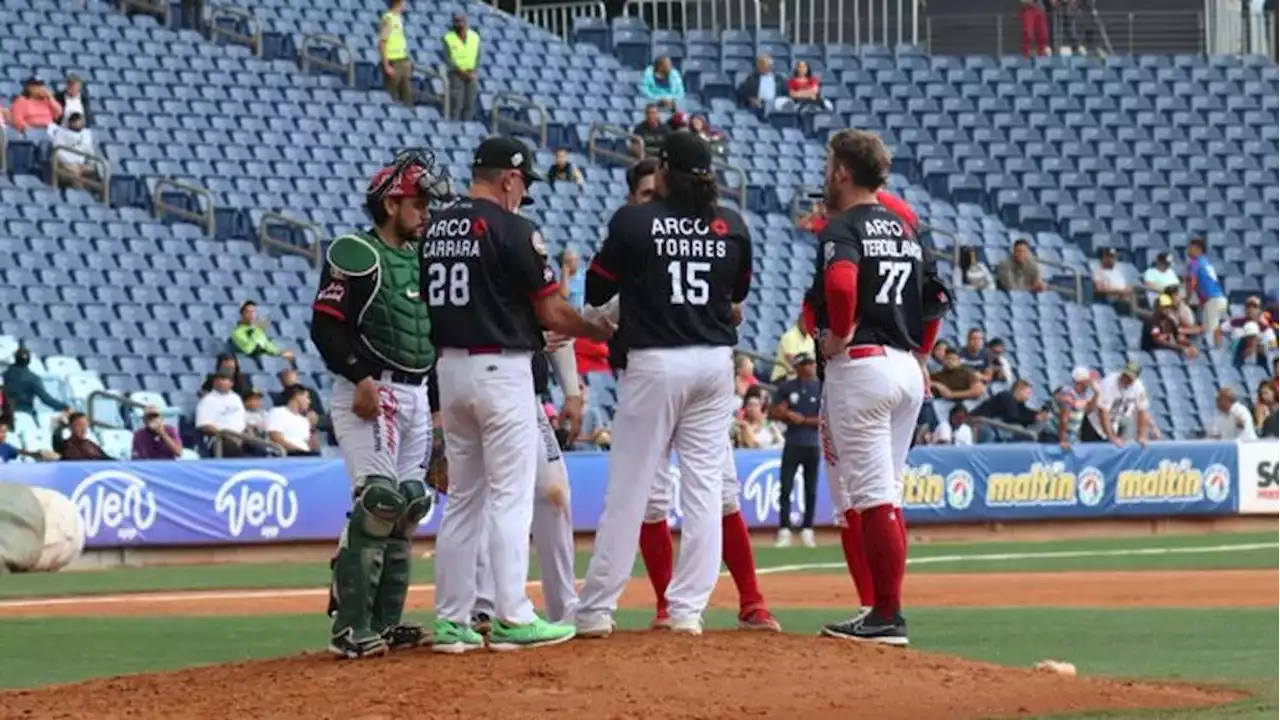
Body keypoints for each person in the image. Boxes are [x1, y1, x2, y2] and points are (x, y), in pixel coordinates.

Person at [426, 136, 612, 654]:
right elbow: (553, 314)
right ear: (509, 178)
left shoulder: (438, 228)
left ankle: (452, 621)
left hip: (450, 366)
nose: (521, 194)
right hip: (501, 369)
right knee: (510, 495)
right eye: (521, 184)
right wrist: (601, 328)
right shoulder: (513, 228)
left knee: (464, 499)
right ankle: (511, 615)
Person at [576, 131, 753, 639]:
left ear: (665, 174)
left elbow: (596, 288)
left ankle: (596, 609)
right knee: (703, 492)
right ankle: (686, 611)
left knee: (631, 487)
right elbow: (735, 293)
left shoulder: (635, 220)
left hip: (655, 359)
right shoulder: (732, 224)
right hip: (715, 361)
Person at [801, 129, 950, 646]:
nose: (826, 173)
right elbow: (936, 299)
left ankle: (886, 615)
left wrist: (837, 336)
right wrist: (922, 353)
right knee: (887, 495)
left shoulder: (843, 226)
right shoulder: (906, 230)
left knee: (870, 497)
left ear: (842, 171)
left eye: (829, 164)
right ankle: (881, 611)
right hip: (906, 366)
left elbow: (841, 284)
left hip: (862, 365)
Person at [312, 150, 451, 659]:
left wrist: (435, 411)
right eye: (419, 201)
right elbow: (325, 326)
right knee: (379, 502)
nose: (426, 211)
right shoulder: (355, 253)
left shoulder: (423, 258)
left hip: (416, 390)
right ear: (392, 204)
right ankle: (350, 627)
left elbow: (428, 340)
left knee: (411, 502)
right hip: (371, 391)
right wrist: (360, 376)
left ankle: (385, 623)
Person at [770, 353, 822, 548]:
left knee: (810, 489)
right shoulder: (787, 388)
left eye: (811, 363)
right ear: (798, 367)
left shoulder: (819, 388)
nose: (810, 367)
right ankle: (784, 528)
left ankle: (808, 528)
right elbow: (773, 411)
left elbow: (824, 418)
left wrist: (803, 420)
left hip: (812, 444)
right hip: (792, 442)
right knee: (786, 487)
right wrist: (787, 414)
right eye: (806, 364)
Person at [1082, 361, 1152, 446]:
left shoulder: (1138, 387)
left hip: (1114, 423)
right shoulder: (1109, 383)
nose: (1126, 379)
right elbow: (1103, 412)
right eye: (1125, 375)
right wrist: (1112, 437)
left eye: (1130, 378)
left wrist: (1142, 436)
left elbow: (1142, 411)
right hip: (1094, 424)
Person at [1184, 237, 1228, 345]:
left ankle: (1215, 356)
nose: (1188, 250)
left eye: (1190, 248)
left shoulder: (1196, 262)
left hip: (1212, 301)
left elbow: (1192, 283)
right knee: (1214, 330)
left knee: (1210, 333)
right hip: (1220, 299)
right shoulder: (1206, 262)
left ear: (1198, 249)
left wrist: (1187, 299)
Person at [1, 348, 70, 418]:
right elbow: (46, 399)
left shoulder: (4, 375)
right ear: (29, 361)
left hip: (5, 416)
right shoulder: (33, 378)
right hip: (26, 416)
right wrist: (65, 407)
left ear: (15, 358)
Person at [1040, 367, 1097, 449]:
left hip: (1072, 435)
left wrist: (1097, 394)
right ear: (1082, 381)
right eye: (1088, 379)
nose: (1090, 381)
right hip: (1055, 435)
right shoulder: (1068, 393)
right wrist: (1063, 440)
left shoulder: (1081, 394)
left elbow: (1089, 409)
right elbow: (1064, 419)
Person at [443, 13, 480, 121]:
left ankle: (467, 126)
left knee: (469, 102)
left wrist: (474, 70)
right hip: (456, 74)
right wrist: (459, 70)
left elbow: (478, 55)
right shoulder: (448, 38)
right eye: (456, 21)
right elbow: (447, 58)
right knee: (456, 102)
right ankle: (454, 125)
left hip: (471, 73)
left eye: (461, 21)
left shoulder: (475, 37)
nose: (459, 24)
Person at [229, 301, 294, 361]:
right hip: (253, 359)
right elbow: (248, 350)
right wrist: (253, 331)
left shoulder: (258, 330)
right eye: (248, 312)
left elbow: (268, 346)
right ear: (242, 314)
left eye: (254, 312)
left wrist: (280, 353)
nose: (252, 315)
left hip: (267, 358)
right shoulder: (237, 332)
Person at [266, 385, 319, 456]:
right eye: (307, 397)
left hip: (305, 456)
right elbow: (276, 439)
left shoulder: (304, 420)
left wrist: (312, 428)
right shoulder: (278, 412)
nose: (309, 401)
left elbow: (313, 447)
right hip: (288, 455)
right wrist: (302, 452)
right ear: (297, 396)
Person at [379, 0, 413, 106]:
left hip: (403, 60)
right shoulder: (388, 18)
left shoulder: (399, 19)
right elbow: (382, 43)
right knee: (392, 95)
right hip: (393, 62)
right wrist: (386, 65)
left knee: (407, 95)